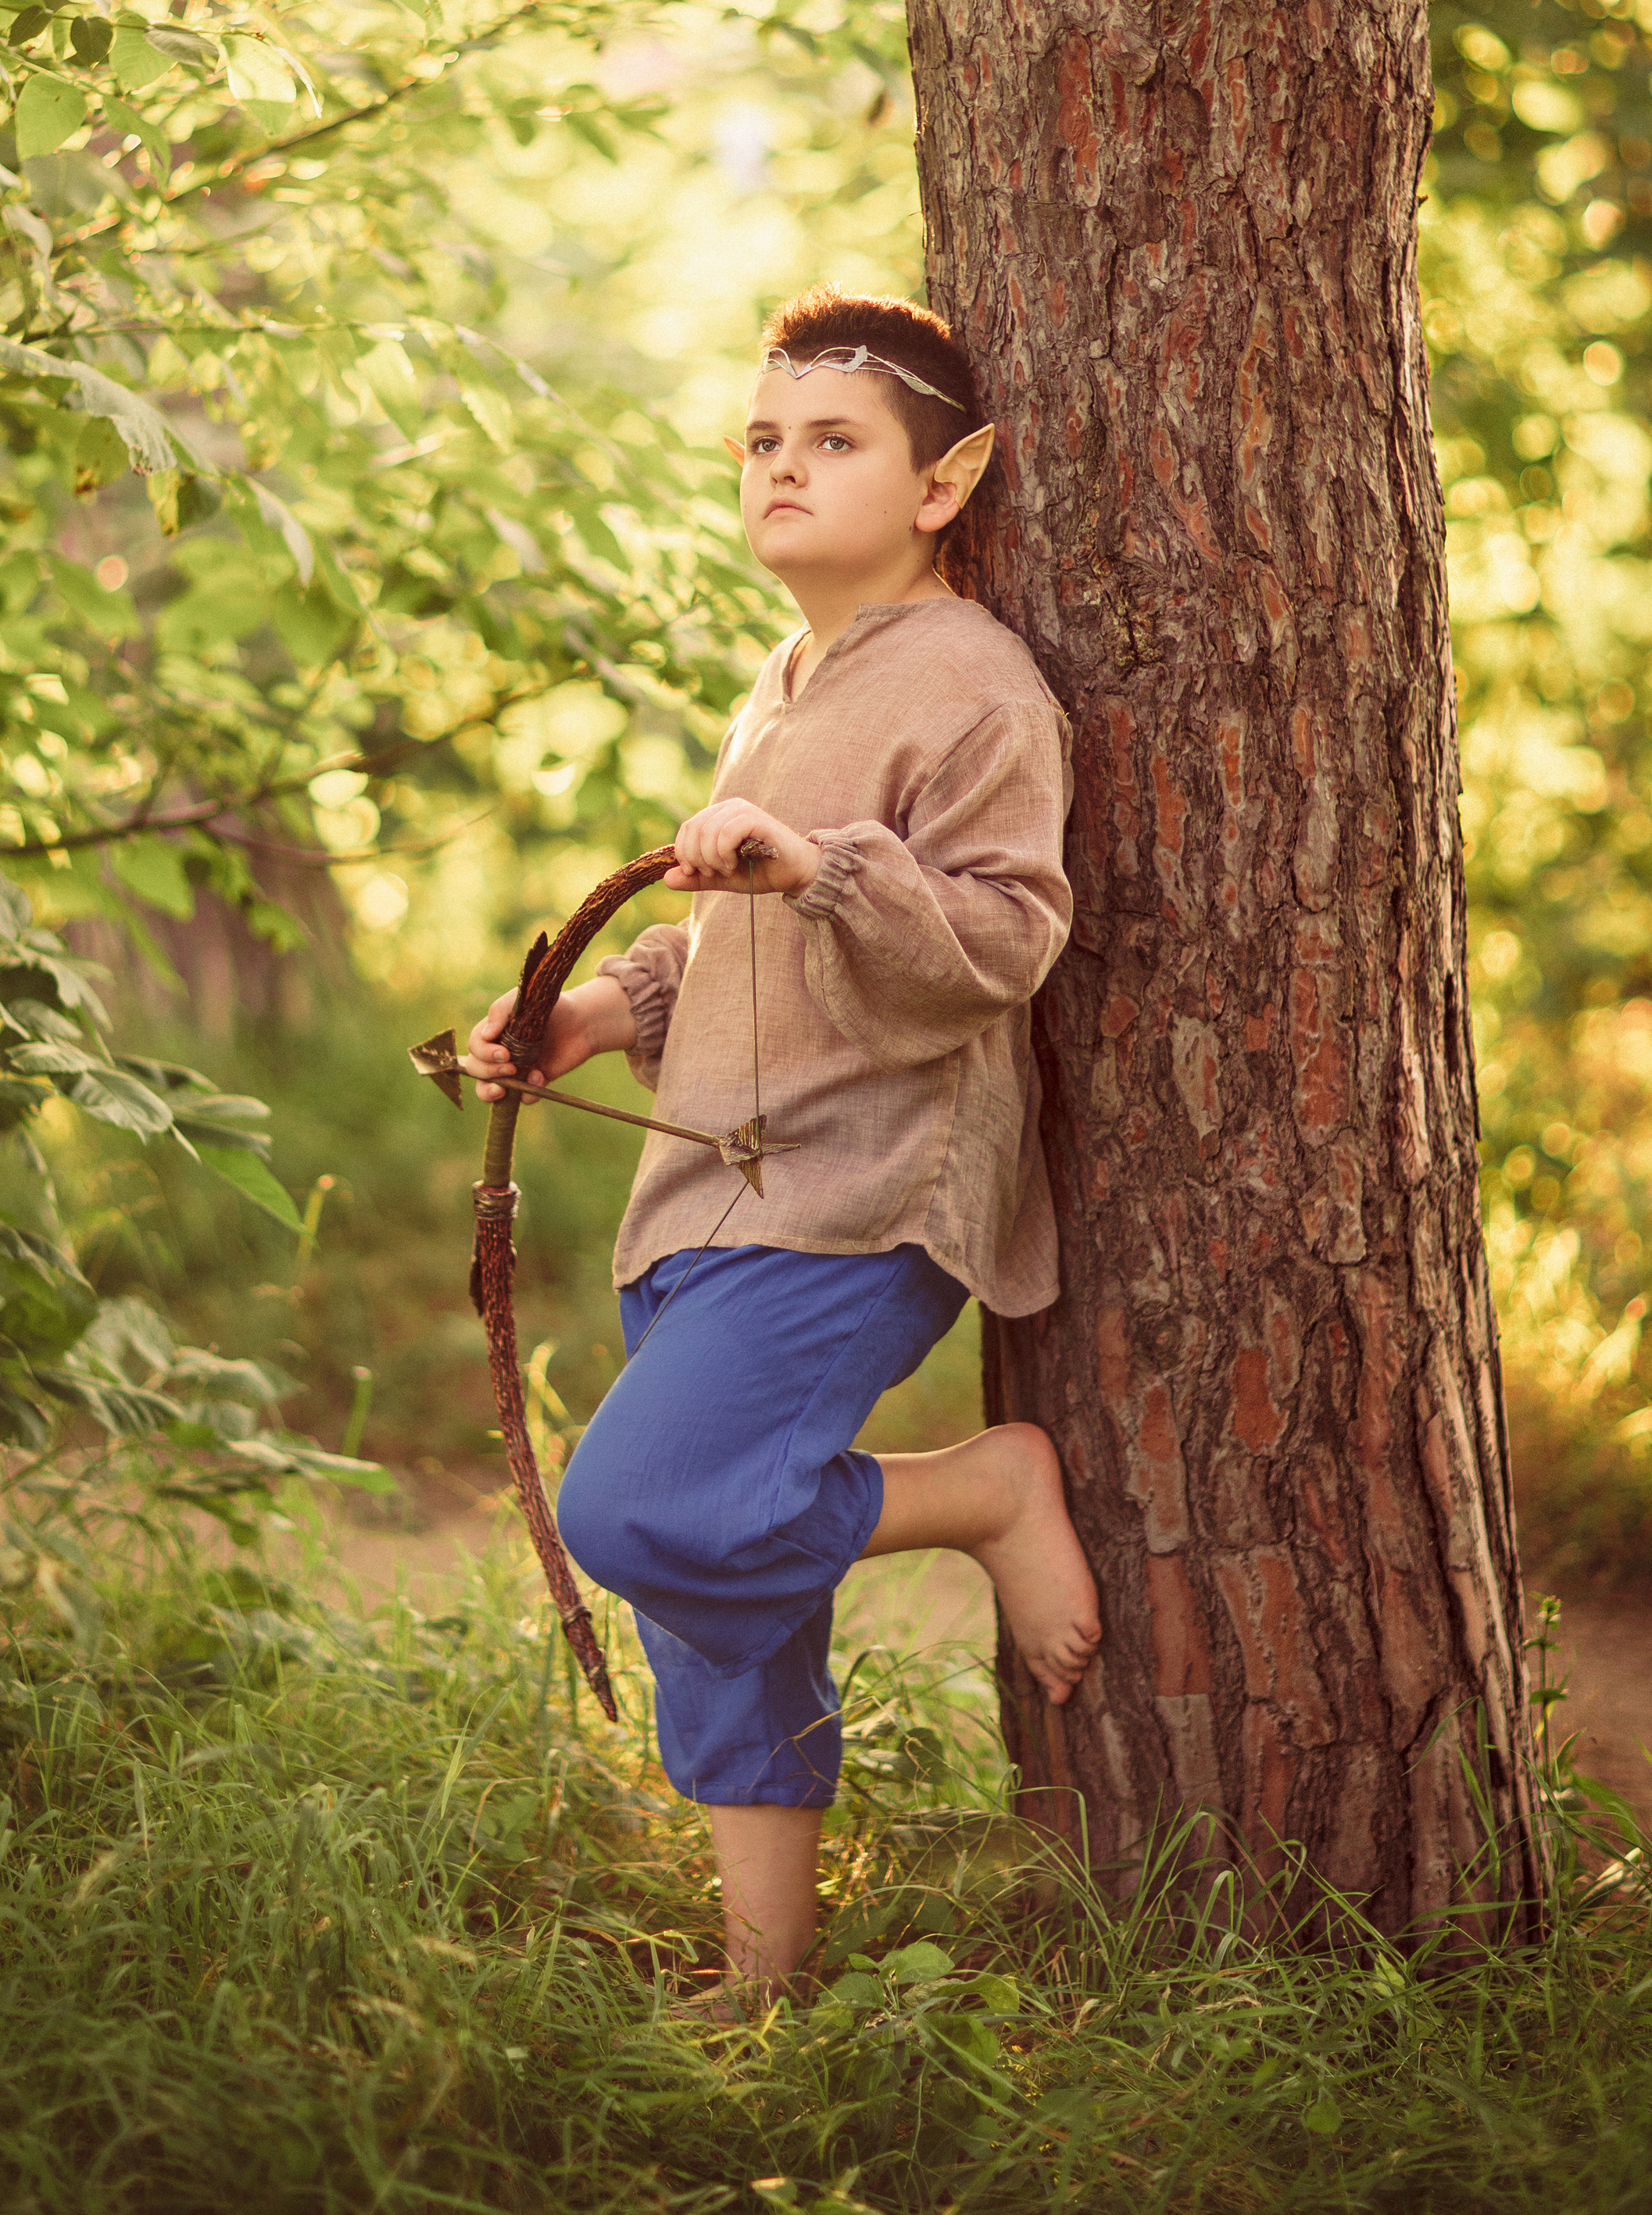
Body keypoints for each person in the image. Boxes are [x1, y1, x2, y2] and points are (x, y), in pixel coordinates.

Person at [463, 283, 1100, 2013]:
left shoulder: (974, 685)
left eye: (833, 441)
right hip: (709, 1188)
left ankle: (981, 1485)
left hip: (855, 1192)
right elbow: (746, 941)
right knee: (721, 1599)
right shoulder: (787, 680)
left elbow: (999, 939)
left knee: (648, 1506)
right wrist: (593, 1011)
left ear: (943, 482)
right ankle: (762, 1978)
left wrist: (817, 866)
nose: (780, 468)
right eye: (762, 438)